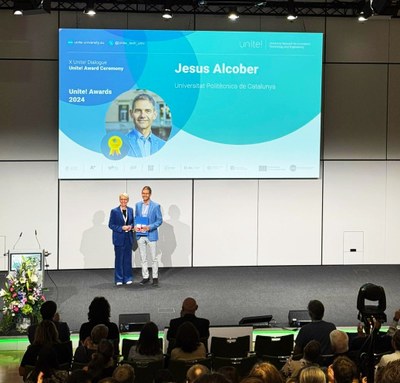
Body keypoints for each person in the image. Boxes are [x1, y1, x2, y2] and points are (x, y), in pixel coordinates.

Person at [134, 186, 163, 286]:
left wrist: (149, 227)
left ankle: (155, 278)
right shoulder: (137, 205)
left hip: (151, 234)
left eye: (146, 193)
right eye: (143, 193)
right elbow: (136, 218)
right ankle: (145, 277)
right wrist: (135, 226)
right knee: (143, 257)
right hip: (140, 234)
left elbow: (159, 220)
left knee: (154, 258)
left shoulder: (156, 206)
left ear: (150, 194)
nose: (144, 195)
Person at [127, 93, 166, 157]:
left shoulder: (163, 145)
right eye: (138, 111)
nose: (142, 115)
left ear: (154, 115)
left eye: (147, 111)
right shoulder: (120, 144)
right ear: (131, 114)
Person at [109, 192, 134, 285]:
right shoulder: (114, 211)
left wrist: (130, 226)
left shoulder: (131, 210)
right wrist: (121, 228)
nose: (123, 201)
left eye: (125, 199)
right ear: (119, 200)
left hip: (128, 238)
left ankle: (128, 278)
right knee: (119, 259)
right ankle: (119, 279)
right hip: (119, 238)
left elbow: (133, 223)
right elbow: (111, 225)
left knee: (128, 259)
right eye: (122, 199)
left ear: (127, 200)